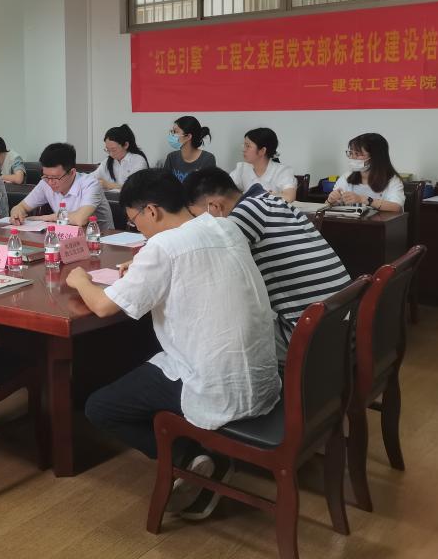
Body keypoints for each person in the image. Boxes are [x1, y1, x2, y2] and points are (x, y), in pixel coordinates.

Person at [65, 168, 280, 521]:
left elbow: (102, 306)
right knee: (145, 357)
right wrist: (142, 264)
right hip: (260, 372)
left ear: (151, 211)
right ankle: (198, 456)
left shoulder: (163, 247)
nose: (138, 229)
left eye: (134, 220)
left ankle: (192, 460)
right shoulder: (222, 225)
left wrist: (80, 281)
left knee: (100, 408)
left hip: (215, 381)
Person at [183, 167, 350, 364]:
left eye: (196, 217)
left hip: (313, 340)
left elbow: (207, 270)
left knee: (215, 340)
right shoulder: (269, 200)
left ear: (214, 206)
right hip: (343, 326)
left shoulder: (243, 215)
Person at [8, 142, 114, 230]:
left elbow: (80, 219)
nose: (50, 182)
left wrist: (44, 218)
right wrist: (16, 212)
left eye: (55, 177)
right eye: (46, 176)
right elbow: (21, 206)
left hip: (100, 239)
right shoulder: (45, 182)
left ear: (72, 172)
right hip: (67, 238)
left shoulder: (90, 184)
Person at [327, 133, 405, 212]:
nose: (352, 157)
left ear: (375, 157)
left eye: (357, 154)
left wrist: (364, 200)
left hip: (379, 220)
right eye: (351, 153)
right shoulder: (346, 177)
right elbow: (326, 206)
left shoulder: (392, 180)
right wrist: (330, 200)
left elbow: (397, 208)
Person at [229, 128, 297, 202]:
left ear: (262, 151)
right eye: (244, 145)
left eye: (248, 146)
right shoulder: (242, 168)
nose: (244, 150)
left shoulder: (283, 171)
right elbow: (225, 189)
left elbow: (289, 197)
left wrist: (264, 195)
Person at [93, 124, 149, 190]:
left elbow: (135, 188)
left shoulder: (138, 161)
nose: (111, 154)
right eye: (107, 150)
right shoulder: (108, 161)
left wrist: (109, 185)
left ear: (126, 145)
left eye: (113, 150)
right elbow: (92, 177)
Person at [164, 115, 215, 182]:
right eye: (172, 131)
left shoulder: (208, 159)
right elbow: (165, 184)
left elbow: (209, 186)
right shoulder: (171, 157)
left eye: (175, 132)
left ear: (188, 136)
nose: (172, 135)